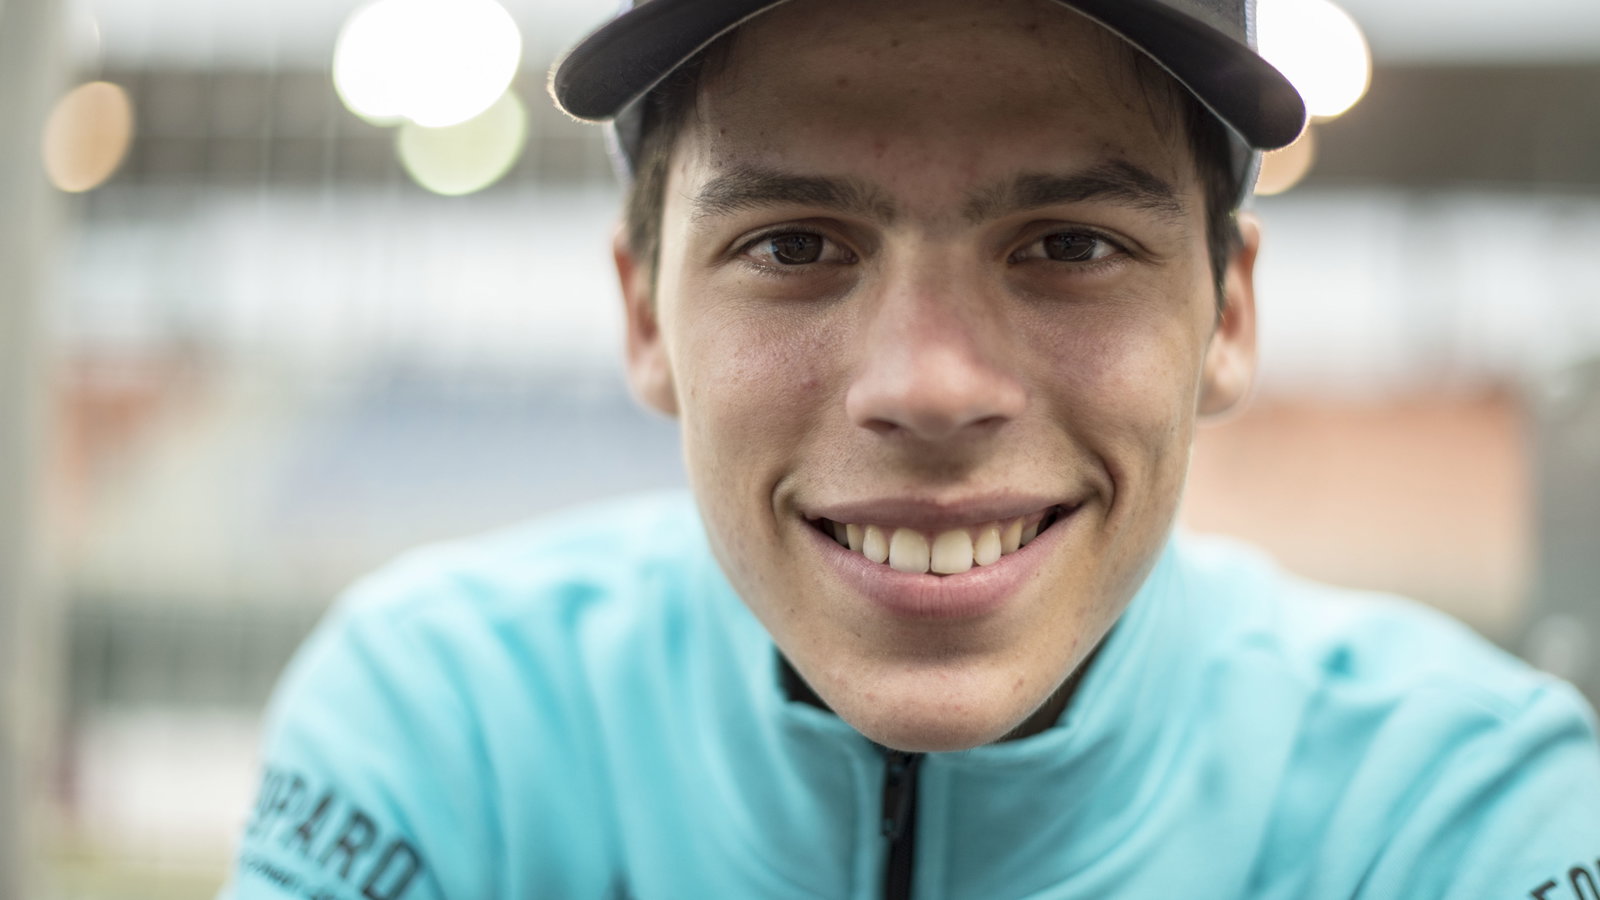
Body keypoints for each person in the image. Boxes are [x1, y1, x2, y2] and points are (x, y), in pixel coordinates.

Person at [222, 1, 1600, 898]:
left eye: (1070, 245)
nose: (930, 386)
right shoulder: (446, 726)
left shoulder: (1459, 811)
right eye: (794, 246)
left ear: (1227, 314)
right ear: (645, 315)